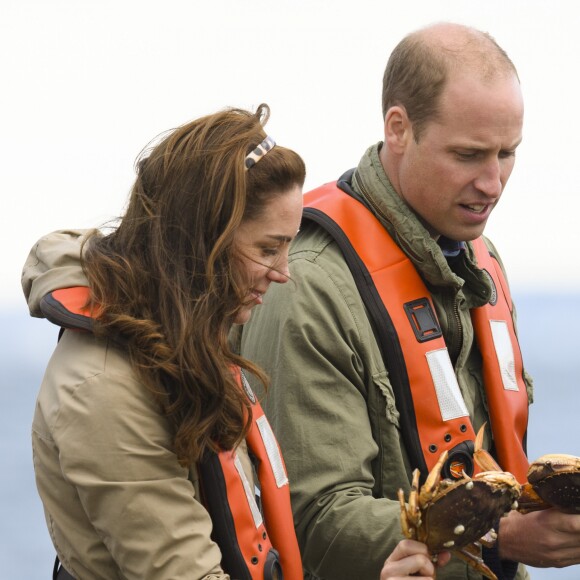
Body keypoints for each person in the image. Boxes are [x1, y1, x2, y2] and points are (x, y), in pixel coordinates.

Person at [23, 104, 447, 580]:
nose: (284, 273)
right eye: (268, 248)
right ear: (201, 241)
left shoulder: (184, 344)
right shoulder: (103, 389)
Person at [234, 23, 580, 580]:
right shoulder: (305, 284)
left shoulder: (479, 258)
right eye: (468, 155)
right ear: (399, 128)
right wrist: (502, 535)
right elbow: (311, 522)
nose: (493, 182)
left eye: (507, 154)